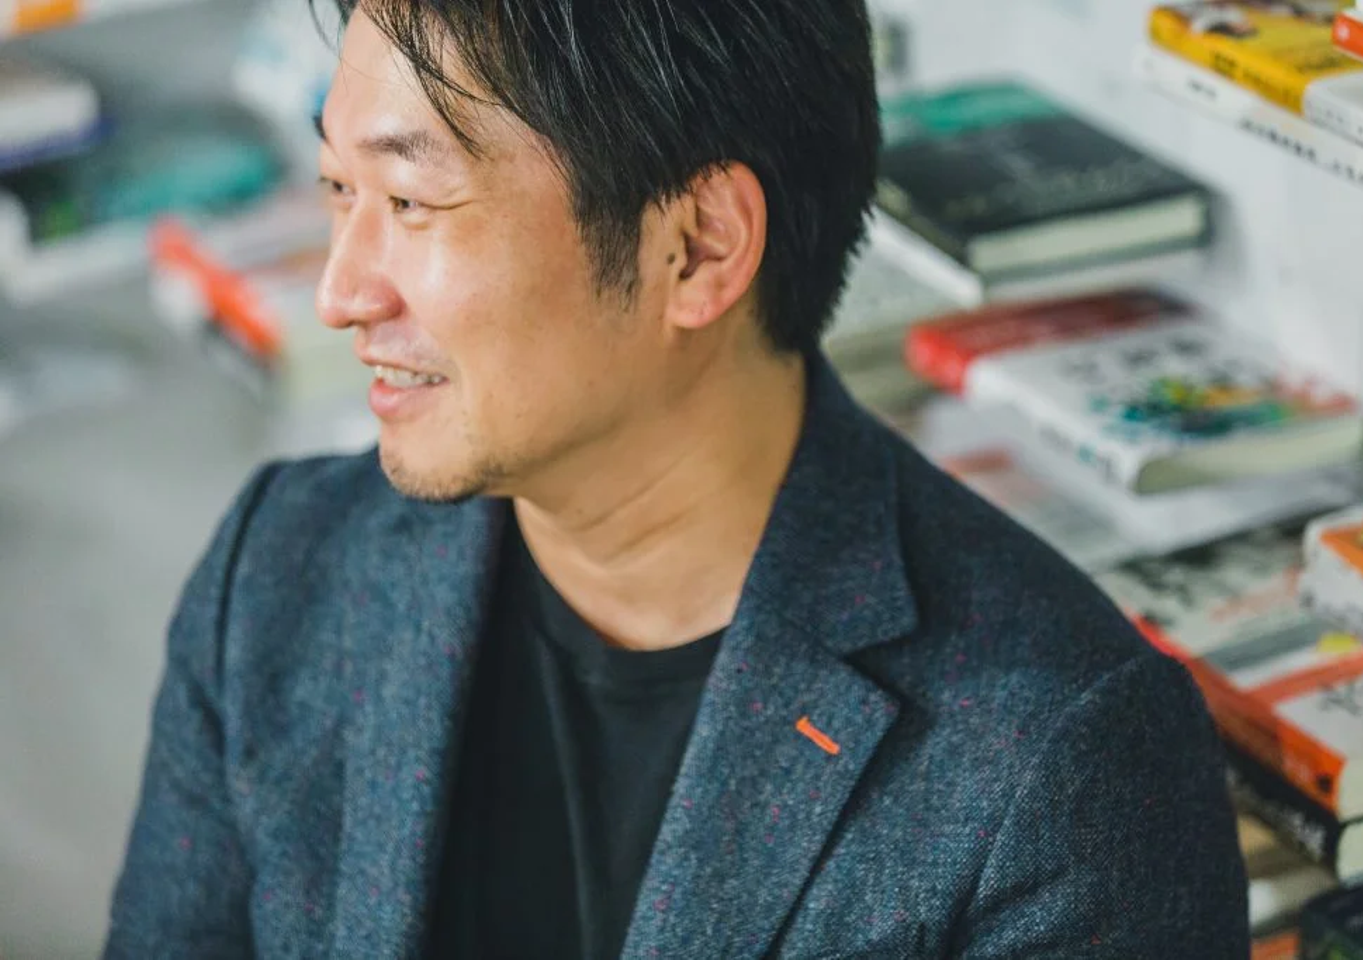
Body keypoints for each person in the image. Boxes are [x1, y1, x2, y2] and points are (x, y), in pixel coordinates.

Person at [104, 0, 1249, 956]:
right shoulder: (281, 571)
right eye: (338, 190)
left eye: (411, 202)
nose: (341, 292)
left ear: (698, 246)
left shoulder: (1059, 757)